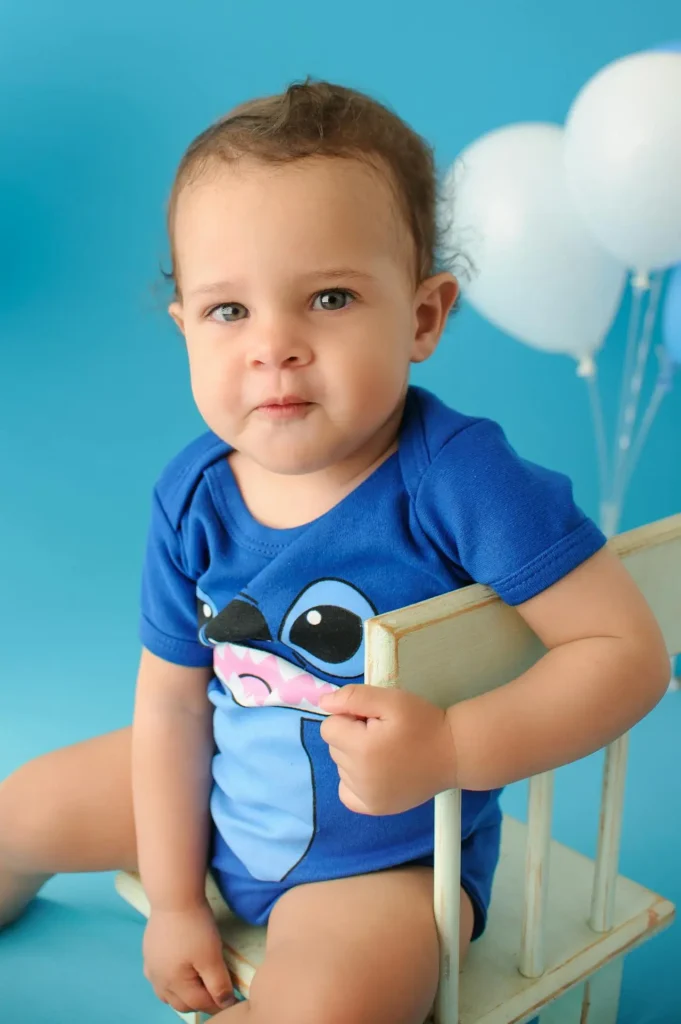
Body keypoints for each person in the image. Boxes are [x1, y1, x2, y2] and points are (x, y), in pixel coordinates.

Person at [0, 79, 670, 1024]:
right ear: (184, 327)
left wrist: (451, 747)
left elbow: (625, 654)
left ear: (424, 317)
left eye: (329, 297)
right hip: (220, 787)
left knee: (334, 1007)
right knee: (19, 809)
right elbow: (170, 704)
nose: (275, 346)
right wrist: (178, 901)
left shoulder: (456, 479)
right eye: (229, 311)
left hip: (378, 861)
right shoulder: (194, 494)